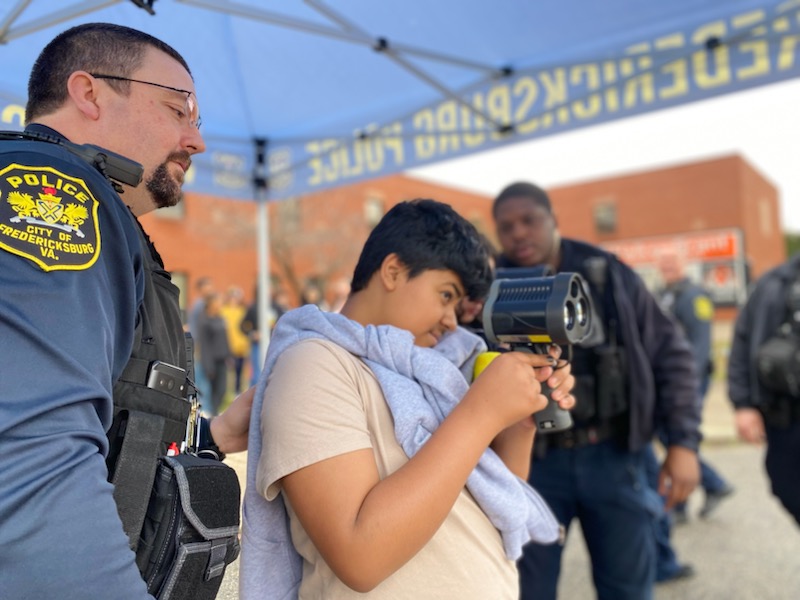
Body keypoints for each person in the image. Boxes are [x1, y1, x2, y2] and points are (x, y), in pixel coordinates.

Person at [0, 23, 252, 598]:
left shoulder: (89, 206)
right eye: (178, 110)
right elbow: (28, 460)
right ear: (89, 94)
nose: (197, 141)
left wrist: (211, 435)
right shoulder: (50, 191)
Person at [240, 199, 577, 599]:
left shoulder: (433, 372)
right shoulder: (313, 365)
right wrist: (480, 414)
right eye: (446, 294)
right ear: (393, 270)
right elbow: (359, 556)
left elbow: (489, 500)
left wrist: (518, 422)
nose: (452, 320)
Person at [491, 182, 701, 600]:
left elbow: (671, 355)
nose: (518, 233)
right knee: (525, 590)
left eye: (529, 220)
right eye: (506, 226)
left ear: (554, 220)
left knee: (627, 589)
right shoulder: (489, 284)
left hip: (614, 455)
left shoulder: (605, 271)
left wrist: (683, 443)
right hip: (532, 465)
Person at [656, 250, 734, 524]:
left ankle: (702, 491)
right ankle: (700, 492)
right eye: (663, 262)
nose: (667, 266)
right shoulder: (664, 294)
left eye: (672, 261)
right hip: (667, 381)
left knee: (679, 437)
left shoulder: (695, 296)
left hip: (688, 381)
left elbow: (699, 347)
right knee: (670, 437)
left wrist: (689, 386)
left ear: (684, 265)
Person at [728, 252, 800, 526]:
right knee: (785, 484)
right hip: (784, 417)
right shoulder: (775, 282)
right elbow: (743, 340)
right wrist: (743, 404)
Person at [198, 291, 232, 415]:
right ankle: (210, 414)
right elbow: (204, 345)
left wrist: (229, 355)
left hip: (222, 360)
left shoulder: (220, 319)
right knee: (210, 391)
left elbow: (225, 339)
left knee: (222, 390)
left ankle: (214, 412)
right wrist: (208, 366)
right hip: (211, 362)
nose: (220, 305)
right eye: (217, 302)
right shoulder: (205, 321)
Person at [220, 285, 251, 394]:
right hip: (228, 345)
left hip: (241, 345)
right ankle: (227, 392)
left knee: (240, 370)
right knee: (228, 370)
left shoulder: (243, 311)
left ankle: (237, 391)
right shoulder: (223, 311)